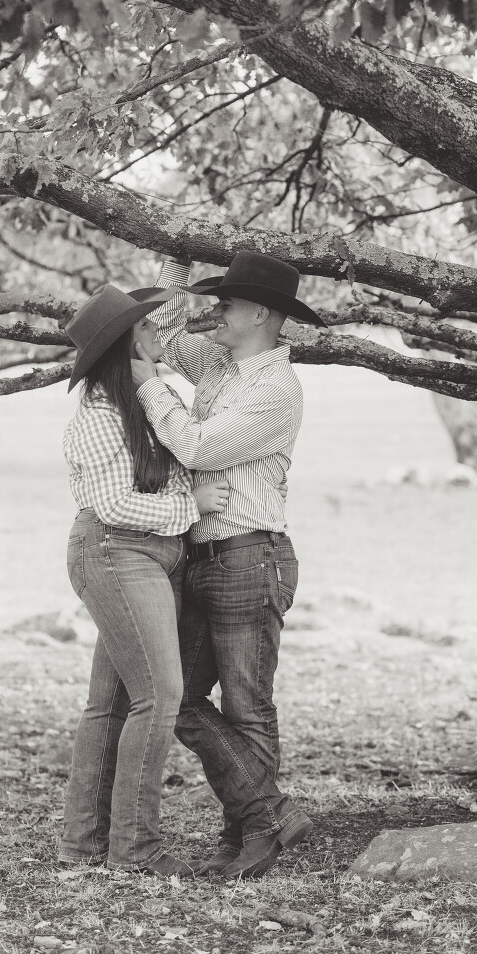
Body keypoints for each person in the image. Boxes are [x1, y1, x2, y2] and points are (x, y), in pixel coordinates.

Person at [132, 251, 324, 879]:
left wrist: (149, 385)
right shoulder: (220, 364)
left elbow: (196, 446)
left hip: (250, 554)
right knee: (180, 696)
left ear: (261, 315)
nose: (216, 310)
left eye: (228, 303)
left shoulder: (276, 389)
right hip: (201, 554)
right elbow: (162, 332)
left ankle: (248, 833)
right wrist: (171, 275)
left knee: (246, 707)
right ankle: (268, 814)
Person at [58, 284, 229, 876]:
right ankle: (135, 847)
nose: (161, 333)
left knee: (111, 703)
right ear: (126, 346)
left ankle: (85, 844)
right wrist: (191, 507)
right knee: (161, 696)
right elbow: (114, 504)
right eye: (148, 328)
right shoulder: (101, 417)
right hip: (116, 551)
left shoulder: (147, 402)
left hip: (148, 555)